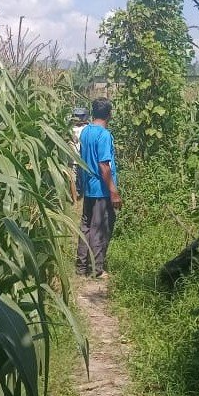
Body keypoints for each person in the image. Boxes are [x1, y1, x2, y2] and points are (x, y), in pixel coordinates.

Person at [76, 97, 122, 278]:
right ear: (109, 115)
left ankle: (81, 267)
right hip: (101, 189)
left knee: (86, 226)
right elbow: (104, 166)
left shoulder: (86, 131)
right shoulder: (104, 135)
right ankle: (96, 269)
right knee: (100, 227)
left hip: (88, 186)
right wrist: (114, 192)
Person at [68, 107, 89, 205]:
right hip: (74, 159)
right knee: (72, 179)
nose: (78, 119)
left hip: (83, 159)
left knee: (81, 179)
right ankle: (75, 200)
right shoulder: (70, 129)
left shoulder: (86, 128)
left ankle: (81, 199)